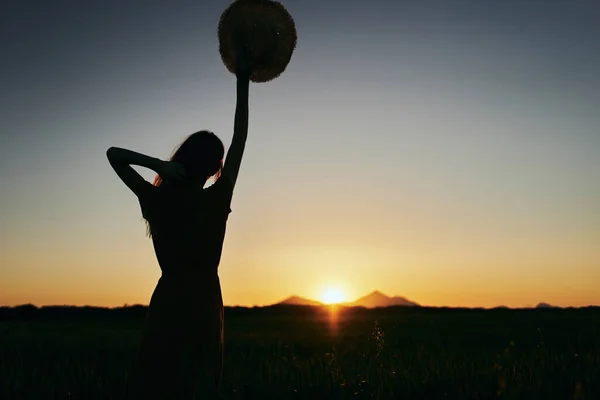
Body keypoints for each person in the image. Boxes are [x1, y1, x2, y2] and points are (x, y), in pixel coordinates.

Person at [107, 51, 251, 399]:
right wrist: (243, 80)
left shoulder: (157, 199)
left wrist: (157, 164)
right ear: (216, 166)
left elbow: (114, 154)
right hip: (204, 301)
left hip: (168, 298)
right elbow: (240, 136)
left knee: (158, 381)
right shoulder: (217, 198)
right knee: (198, 383)